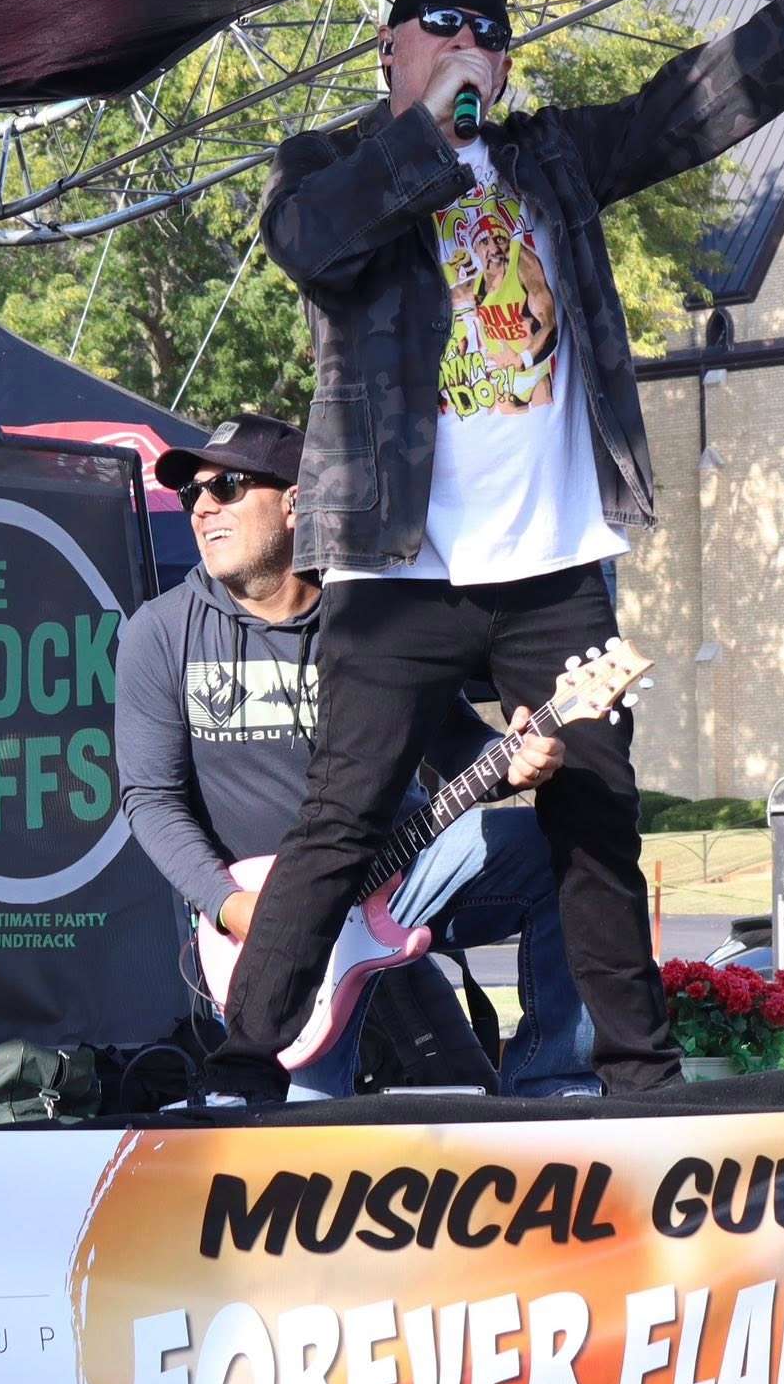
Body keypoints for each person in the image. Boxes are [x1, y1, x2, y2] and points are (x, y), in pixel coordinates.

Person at [206, 0, 784, 1105]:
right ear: (392, 50)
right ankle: (239, 1067)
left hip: (548, 563)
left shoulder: (545, 159)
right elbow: (314, 246)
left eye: (487, 35)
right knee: (343, 816)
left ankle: (637, 1086)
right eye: (439, 30)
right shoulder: (332, 166)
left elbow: (682, 111)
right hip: (403, 563)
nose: (467, 50)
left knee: (594, 816)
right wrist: (426, 137)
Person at [114, 413, 599, 1101]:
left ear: (295, 501)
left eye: (224, 487)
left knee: (560, 845)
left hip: (403, 868)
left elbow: (454, 737)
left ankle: (557, 1090)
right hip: (269, 915)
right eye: (191, 495)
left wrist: (509, 756)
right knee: (295, 1125)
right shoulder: (159, 633)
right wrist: (231, 906)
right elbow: (150, 799)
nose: (201, 510)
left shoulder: (380, 622)